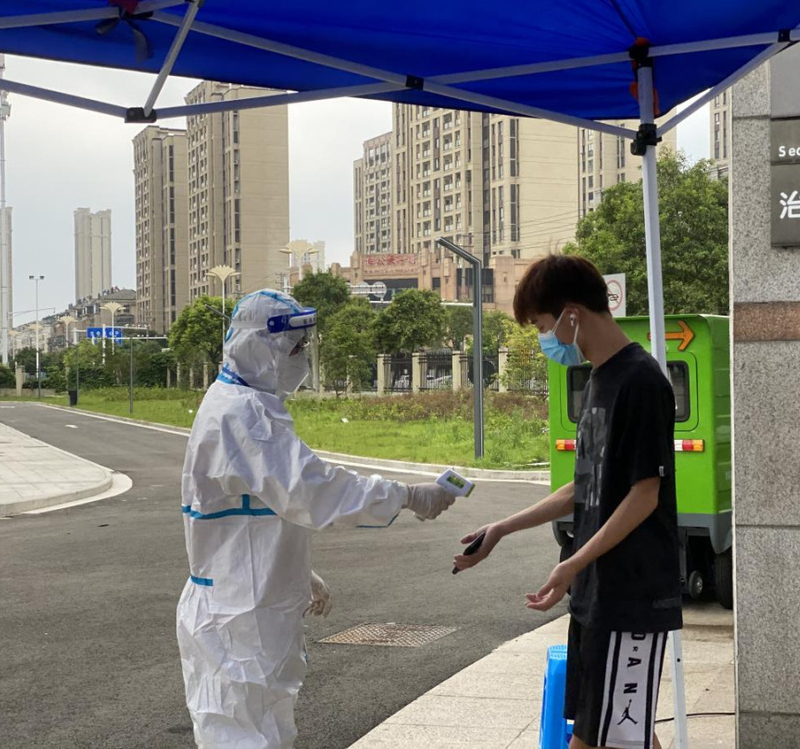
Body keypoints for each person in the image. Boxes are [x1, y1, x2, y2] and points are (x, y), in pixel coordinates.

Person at [177, 289, 455, 749]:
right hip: (240, 615)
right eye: (294, 348)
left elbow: (254, 512)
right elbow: (315, 490)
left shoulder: (242, 403)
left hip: (249, 602)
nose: (301, 358)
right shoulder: (242, 414)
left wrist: (298, 571)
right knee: (244, 737)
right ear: (259, 347)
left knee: (264, 732)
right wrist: (407, 496)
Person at [454, 256, 682, 749]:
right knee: (617, 733)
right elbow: (584, 487)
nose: (545, 339)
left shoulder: (641, 382)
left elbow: (645, 496)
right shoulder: (599, 380)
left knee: (605, 736)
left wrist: (572, 564)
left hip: (632, 595)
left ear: (571, 314)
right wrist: (501, 528)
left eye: (542, 326)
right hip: (598, 593)